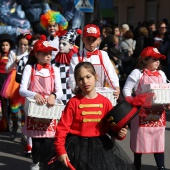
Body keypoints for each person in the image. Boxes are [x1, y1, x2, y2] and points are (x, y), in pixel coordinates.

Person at [53, 61, 134, 170]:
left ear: (96, 77)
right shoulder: (73, 102)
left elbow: (112, 128)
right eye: (80, 79)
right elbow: (62, 128)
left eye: (88, 76)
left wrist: (120, 133)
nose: (85, 81)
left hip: (100, 148)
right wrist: (60, 150)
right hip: (76, 149)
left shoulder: (105, 102)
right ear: (77, 82)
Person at [19, 39, 63, 170]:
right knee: (37, 144)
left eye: (50, 53)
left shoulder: (54, 69)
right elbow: (21, 90)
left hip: (49, 111)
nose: (49, 55)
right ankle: (35, 163)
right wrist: (34, 94)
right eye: (45, 53)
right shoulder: (29, 68)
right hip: (35, 111)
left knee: (48, 144)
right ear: (36, 54)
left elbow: (60, 91)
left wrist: (53, 95)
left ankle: (44, 165)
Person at [123, 47, 167, 170]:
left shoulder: (162, 74)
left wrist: (167, 101)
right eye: (155, 59)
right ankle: (137, 164)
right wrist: (132, 101)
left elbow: (165, 90)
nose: (158, 62)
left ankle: (161, 166)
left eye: (159, 59)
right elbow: (126, 89)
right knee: (140, 140)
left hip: (158, 113)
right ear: (145, 60)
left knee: (158, 140)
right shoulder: (137, 73)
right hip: (141, 113)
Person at [69, 24, 120, 99]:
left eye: (94, 39)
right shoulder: (76, 57)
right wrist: (76, 89)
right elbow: (72, 77)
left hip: (100, 94)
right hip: (82, 94)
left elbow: (110, 73)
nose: (91, 43)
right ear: (83, 39)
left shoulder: (103, 55)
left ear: (99, 40)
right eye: (88, 39)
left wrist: (116, 87)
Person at [55, 28, 81, 105]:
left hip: (74, 95)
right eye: (60, 43)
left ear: (71, 46)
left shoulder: (77, 60)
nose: (60, 46)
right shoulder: (55, 62)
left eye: (64, 44)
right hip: (59, 97)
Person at [0, 33, 15, 132]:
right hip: (0, 80)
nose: (4, 47)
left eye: (6, 45)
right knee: (3, 103)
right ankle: (4, 124)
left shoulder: (13, 55)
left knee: (11, 104)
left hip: (10, 80)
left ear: (10, 46)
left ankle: (11, 123)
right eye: (3, 45)